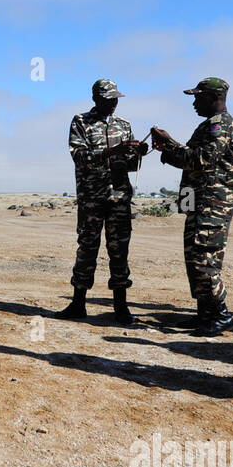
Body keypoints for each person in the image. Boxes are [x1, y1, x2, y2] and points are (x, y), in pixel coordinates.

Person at [150, 77, 233, 336]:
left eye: (197, 97)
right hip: (199, 202)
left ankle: (221, 314)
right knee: (194, 256)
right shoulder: (208, 125)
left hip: (213, 203)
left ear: (214, 98)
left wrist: (168, 153)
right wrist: (169, 143)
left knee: (205, 258)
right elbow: (194, 155)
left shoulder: (221, 125)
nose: (193, 102)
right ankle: (205, 314)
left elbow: (202, 159)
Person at [56, 78, 146, 324]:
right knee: (87, 248)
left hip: (119, 197)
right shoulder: (81, 122)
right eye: (108, 99)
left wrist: (138, 153)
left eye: (116, 98)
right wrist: (111, 151)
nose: (113, 103)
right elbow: (79, 156)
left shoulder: (124, 125)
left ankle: (121, 306)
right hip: (91, 198)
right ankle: (78, 304)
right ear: (96, 99)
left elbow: (130, 165)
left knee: (119, 250)